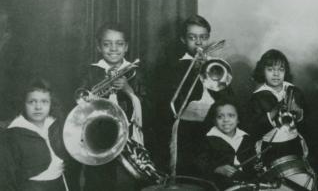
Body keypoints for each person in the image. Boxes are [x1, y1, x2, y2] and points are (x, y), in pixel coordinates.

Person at [158, 15, 233, 176]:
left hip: (214, 126)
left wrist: (209, 71)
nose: (199, 42)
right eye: (192, 37)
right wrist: (194, 72)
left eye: (203, 37)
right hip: (188, 132)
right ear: (183, 40)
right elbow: (175, 103)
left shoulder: (216, 64)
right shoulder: (174, 67)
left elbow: (227, 99)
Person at [79, 22, 145, 191]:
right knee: (98, 182)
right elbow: (81, 104)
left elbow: (147, 107)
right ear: (99, 47)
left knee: (127, 182)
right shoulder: (91, 72)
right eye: (107, 44)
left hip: (129, 139)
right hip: (99, 138)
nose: (113, 49)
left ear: (126, 47)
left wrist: (128, 90)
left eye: (119, 44)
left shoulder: (136, 73)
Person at [5, 78, 76, 191]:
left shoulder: (55, 124)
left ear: (51, 103)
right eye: (32, 102)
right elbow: (7, 176)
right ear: (23, 104)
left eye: (44, 101)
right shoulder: (13, 134)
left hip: (59, 184)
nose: (38, 107)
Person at [195, 100, 258, 189]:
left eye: (231, 116)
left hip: (246, 184)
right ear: (214, 120)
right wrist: (217, 169)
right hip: (219, 185)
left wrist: (256, 165)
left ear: (238, 119)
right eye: (220, 117)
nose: (226, 120)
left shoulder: (246, 138)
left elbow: (252, 161)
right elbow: (200, 163)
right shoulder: (207, 139)